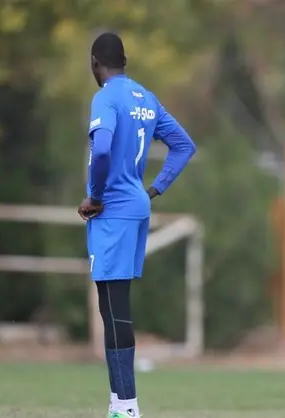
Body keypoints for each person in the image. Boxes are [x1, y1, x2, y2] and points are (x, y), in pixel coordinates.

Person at [77, 32, 196, 418]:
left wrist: (95, 196)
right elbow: (184, 145)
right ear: (124, 62)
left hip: (112, 210)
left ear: (95, 63)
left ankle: (126, 407)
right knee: (116, 307)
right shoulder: (146, 98)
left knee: (113, 308)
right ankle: (119, 403)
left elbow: (102, 149)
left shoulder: (106, 97)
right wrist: (155, 189)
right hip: (136, 207)